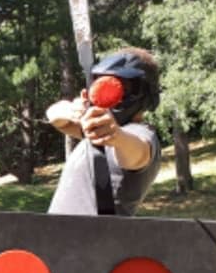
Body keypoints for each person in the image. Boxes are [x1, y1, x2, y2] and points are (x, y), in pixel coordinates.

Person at [46, 47, 161, 216]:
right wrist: (73, 110)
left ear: (141, 92)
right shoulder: (97, 130)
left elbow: (138, 153)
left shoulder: (141, 133)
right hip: (57, 238)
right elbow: (55, 117)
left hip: (94, 240)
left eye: (125, 87)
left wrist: (116, 137)